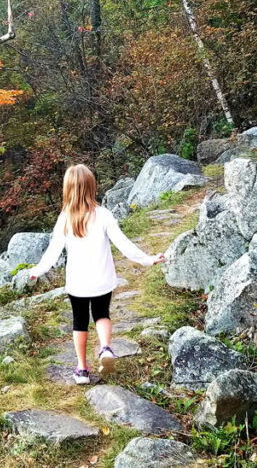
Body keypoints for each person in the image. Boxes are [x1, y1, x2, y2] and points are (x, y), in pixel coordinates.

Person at [29, 164, 166, 384]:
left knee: (79, 321)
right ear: (92, 187)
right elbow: (124, 244)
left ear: (67, 190)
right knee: (102, 314)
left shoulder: (65, 219)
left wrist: (38, 270)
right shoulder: (103, 215)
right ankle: (105, 348)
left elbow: (52, 252)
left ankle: (82, 370)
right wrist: (148, 259)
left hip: (78, 284)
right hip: (103, 280)